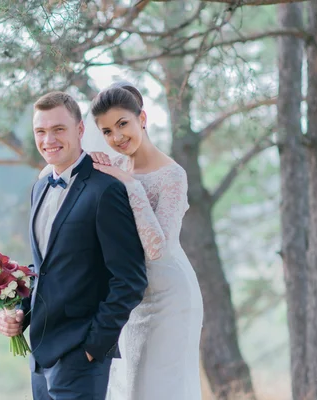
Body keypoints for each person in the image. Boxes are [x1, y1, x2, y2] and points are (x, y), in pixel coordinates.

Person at [0, 91, 148, 400]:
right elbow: (46, 270)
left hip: (82, 356)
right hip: (40, 356)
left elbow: (130, 280)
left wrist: (95, 348)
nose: (48, 139)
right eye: (41, 131)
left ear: (80, 130)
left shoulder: (106, 190)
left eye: (58, 129)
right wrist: (19, 314)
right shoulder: (39, 187)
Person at [87, 82, 204, 400]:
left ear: (142, 118)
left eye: (122, 123)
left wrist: (130, 185)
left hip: (169, 296)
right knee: (127, 387)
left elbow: (157, 249)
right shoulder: (116, 168)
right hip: (131, 298)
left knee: (155, 389)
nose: (117, 137)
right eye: (107, 131)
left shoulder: (172, 175)